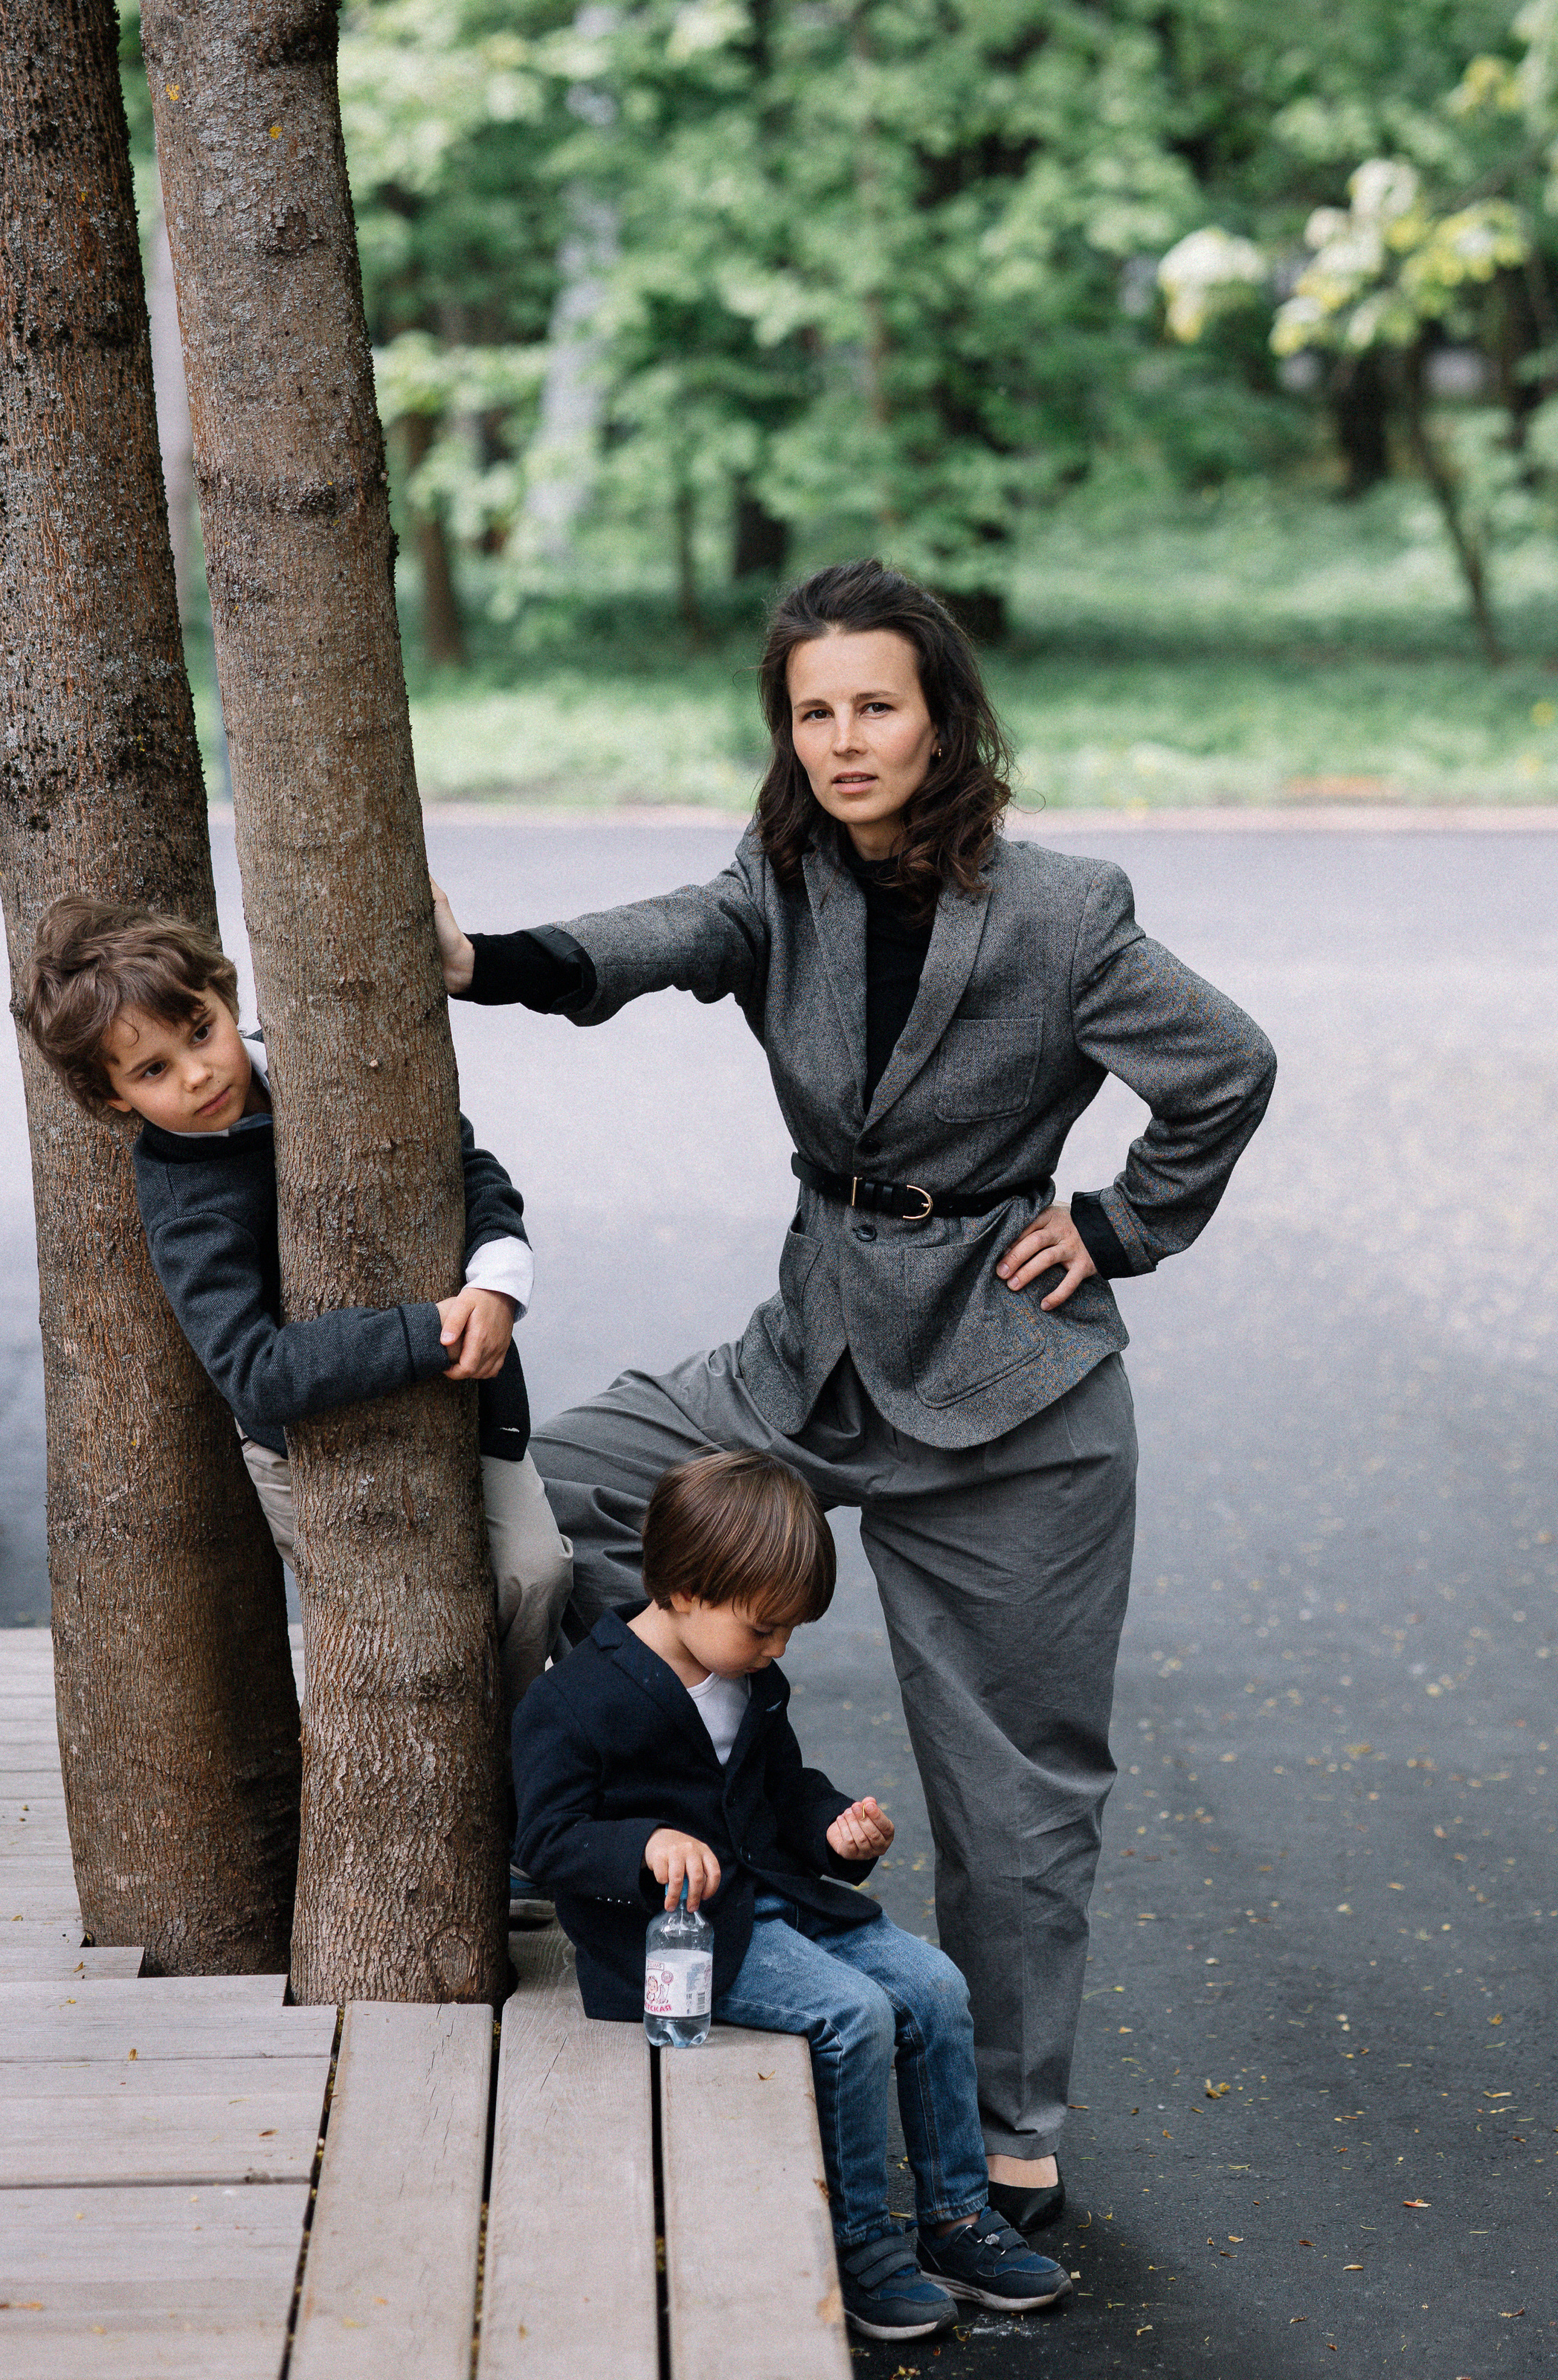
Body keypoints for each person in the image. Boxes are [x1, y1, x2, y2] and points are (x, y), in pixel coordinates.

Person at [431, 556, 1275, 2228]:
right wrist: (486, 957)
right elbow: (658, 939)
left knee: (1015, 1776)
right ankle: (673, 1803)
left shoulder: (1060, 910)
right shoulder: (783, 881)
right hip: (805, 1354)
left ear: (942, 716)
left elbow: (1224, 1068)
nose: (841, 738)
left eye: (873, 704)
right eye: (811, 712)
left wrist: (1114, 1223)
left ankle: (1013, 2122)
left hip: (1012, 1390)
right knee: (576, 1487)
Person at [512, 1447, 1070, 2342]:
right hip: (677, 1939)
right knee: (855, 2013)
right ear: (685, 1589)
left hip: (782, 1900)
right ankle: (859, 2243)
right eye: (764, 1627)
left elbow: (780, 1787)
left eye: (788, 1632)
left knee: (933, 1984)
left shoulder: (749, 1678)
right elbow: (543, 1837)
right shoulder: (577, 1699)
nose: (775, 1650)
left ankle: (957, 2220)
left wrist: (832, 1831)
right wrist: (643, 1844)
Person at [22, 895, 572, 1723]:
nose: (197, 1073)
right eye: (152, 1070)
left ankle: (536, 1763)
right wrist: (426, 1330)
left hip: (464, 1387)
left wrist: (495, 1282)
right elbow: (255, 1373)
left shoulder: (313, 1065)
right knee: (407, 1632)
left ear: (225, 997)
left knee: (536, 1573)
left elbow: (466, 1165)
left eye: (198, 1033)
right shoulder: (187, 1205)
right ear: (112, 1102)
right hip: (311, 1449)